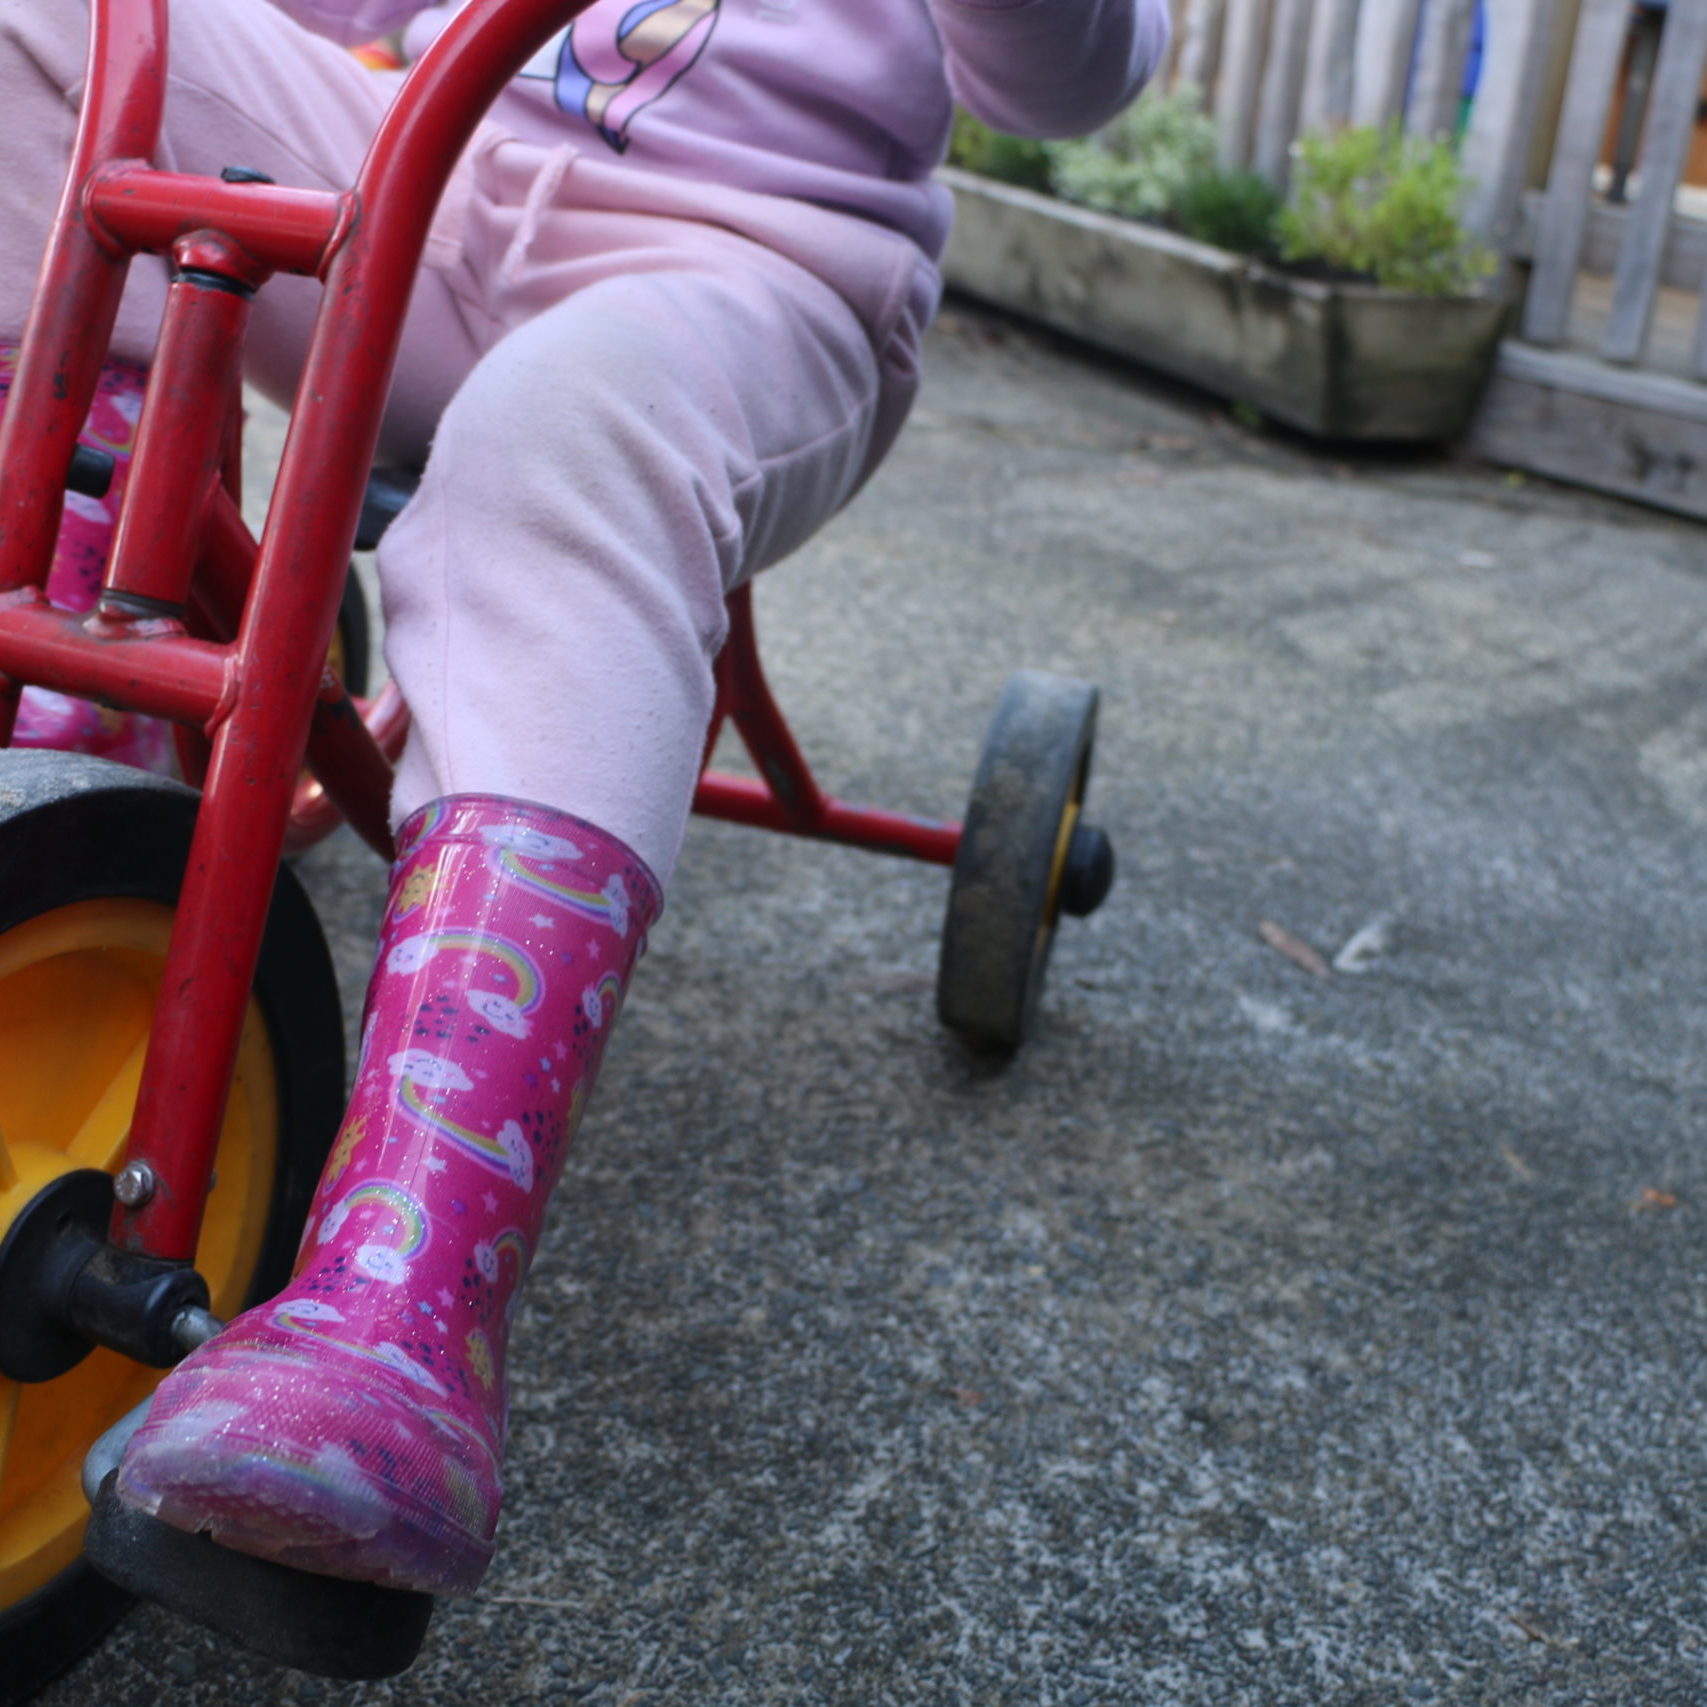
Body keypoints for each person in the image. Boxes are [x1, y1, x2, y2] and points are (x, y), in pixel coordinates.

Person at [0, 0, 1169, 1596]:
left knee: (568, 450)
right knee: (53, 40)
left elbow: (1071, 80)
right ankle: (64, 741)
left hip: (747, 265)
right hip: (432, 177)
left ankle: (399, 1315)